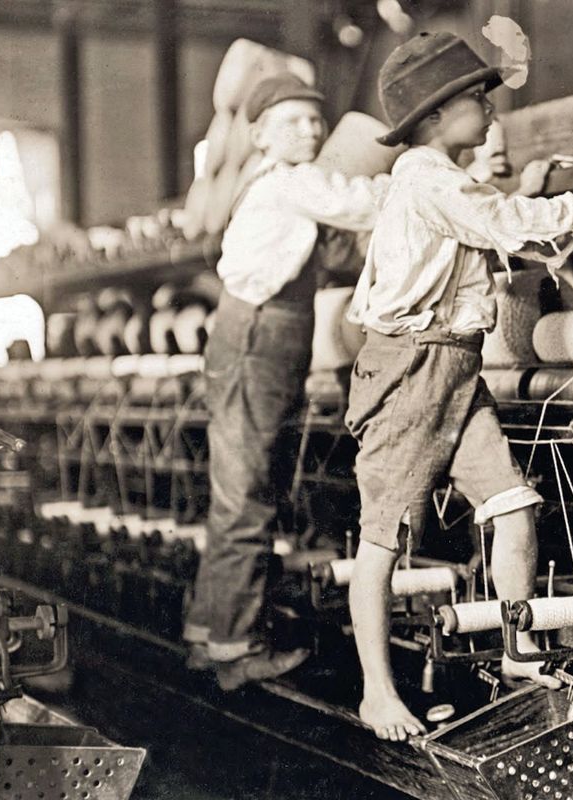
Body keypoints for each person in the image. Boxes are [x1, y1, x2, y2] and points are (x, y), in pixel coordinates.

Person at [345, 31, 573, 741]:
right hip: (411, 371)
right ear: (433, 116)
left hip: (455, 366)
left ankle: (518, 650)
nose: (491, 109)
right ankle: (376, 693)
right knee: (382, 540)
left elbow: (503, 222)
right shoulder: (429, 179)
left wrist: (537, 193)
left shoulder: (444, 180)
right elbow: (509, 224)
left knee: (514, 506)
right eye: (477, 99)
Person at [183, 73, 389, 691]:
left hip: (257, 338)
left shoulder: (279, 184)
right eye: (292, 121)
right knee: (247, 496)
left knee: (239, 493)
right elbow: (363, 203)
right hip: (259, 340)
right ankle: (237, 650)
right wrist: (428, 177)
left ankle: (210, 633)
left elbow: (336, 253)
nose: (310, 130)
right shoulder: (289, 181)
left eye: (314, 119)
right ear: (259, 135)